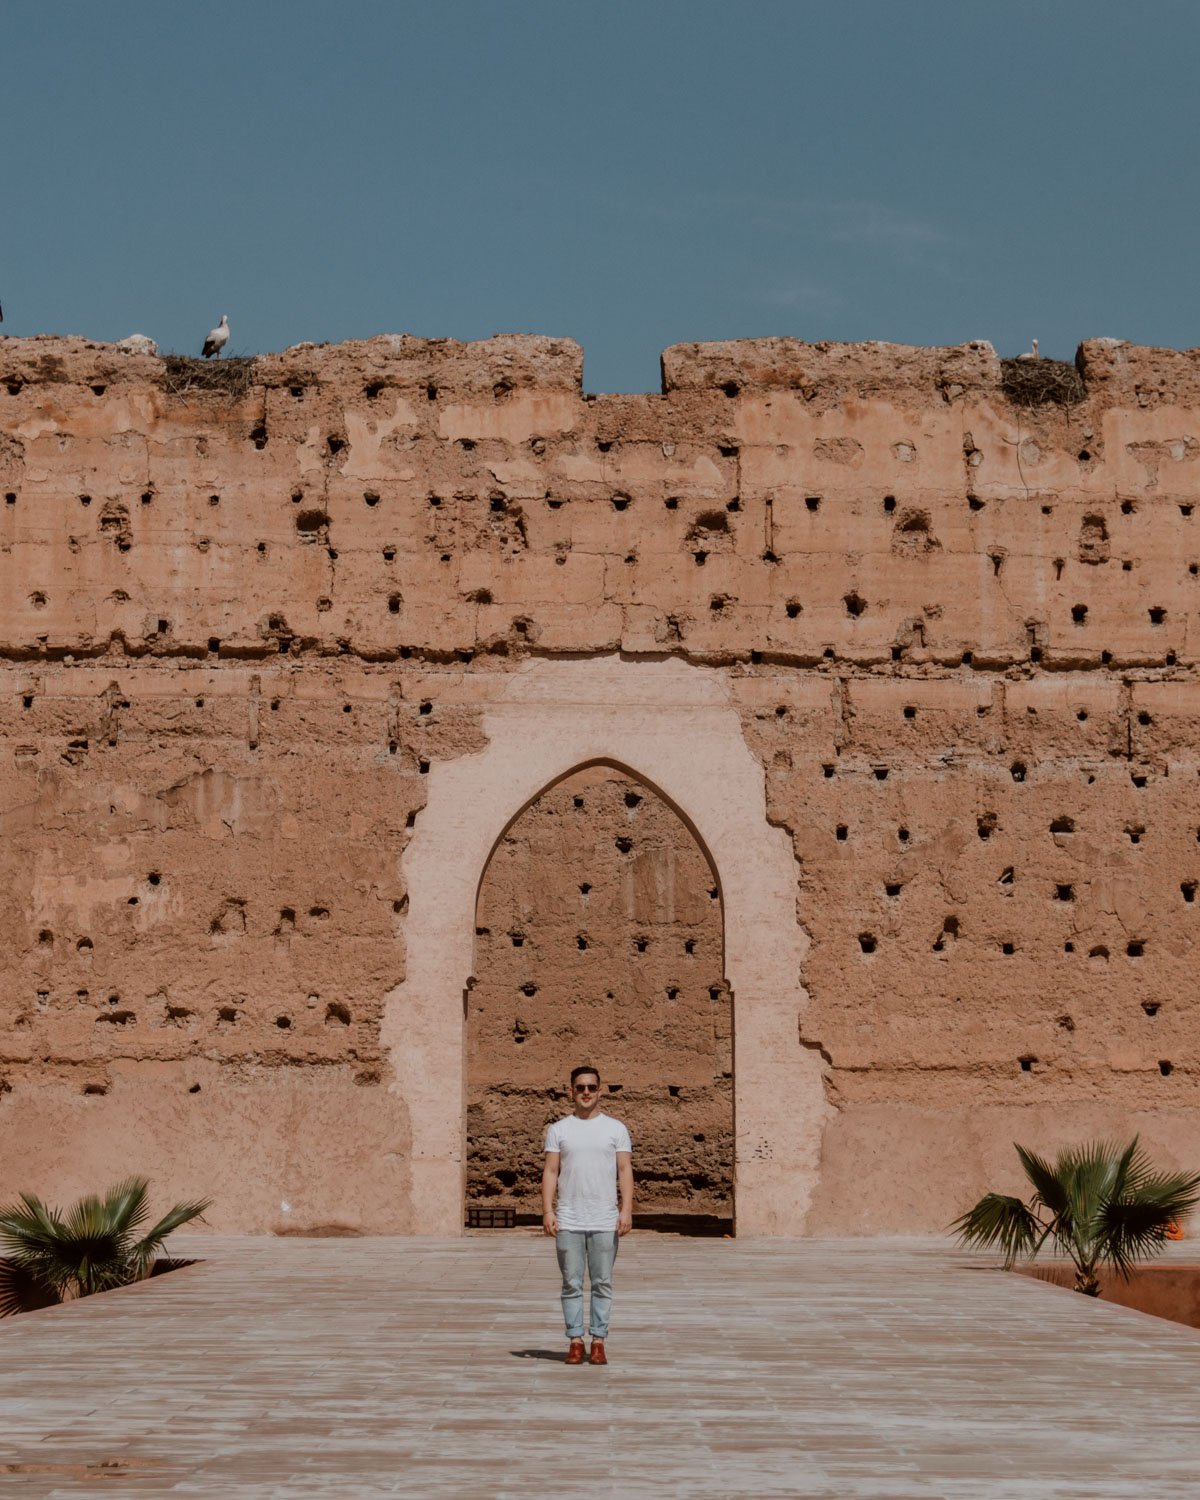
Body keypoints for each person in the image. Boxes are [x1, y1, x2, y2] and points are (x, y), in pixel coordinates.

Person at [542, 1063, 633, 1366]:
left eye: (591, 1087)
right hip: (569, 1217)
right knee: (571, 1281)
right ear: (571, 1091)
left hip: (604, 1218)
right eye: (580, 1087)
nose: (586, 1092)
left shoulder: (616, 1129)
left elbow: (624, 1170)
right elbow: (551, 1171)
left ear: (599, 1090)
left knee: (602, 1281)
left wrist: (626, 1209)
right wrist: (547, 1210)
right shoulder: (559, 1129)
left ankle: (598, 1340)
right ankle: (574, 1340)